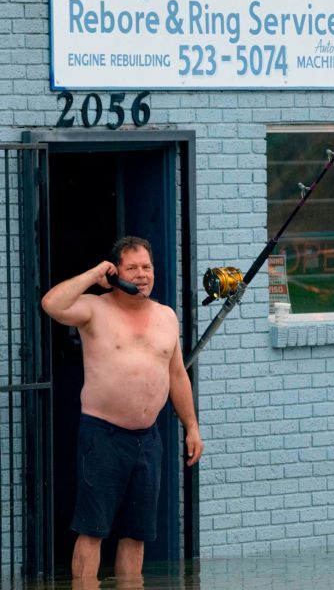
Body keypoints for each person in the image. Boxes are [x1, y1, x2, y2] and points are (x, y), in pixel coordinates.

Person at [41, 236, 203, 579]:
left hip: (148, 440)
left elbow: (177, 373)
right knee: (92, 530)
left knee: (137, 535)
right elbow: (52, 304)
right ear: (116, 271)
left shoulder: (167, 316)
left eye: (147, 267)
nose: (142, 274)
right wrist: (94, 274)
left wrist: (191, 425)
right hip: (102, 436)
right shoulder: (94, 308)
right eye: (132, 268)